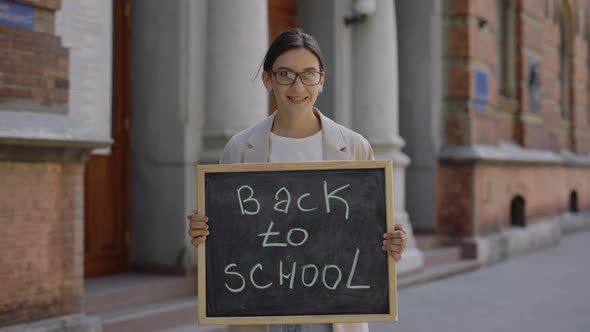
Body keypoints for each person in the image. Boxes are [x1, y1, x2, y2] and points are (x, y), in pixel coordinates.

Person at [187, 29, 407, 332]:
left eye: (308, 74)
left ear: (322, 80)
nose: (297, 86)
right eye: (285, 74)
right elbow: (225, 238)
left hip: (334, 313)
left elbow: (369, 235)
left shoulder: (355, 147)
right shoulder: (240, 148)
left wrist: (392, 244)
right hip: (259, 308)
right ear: (268, 80)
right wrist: (203, 233)